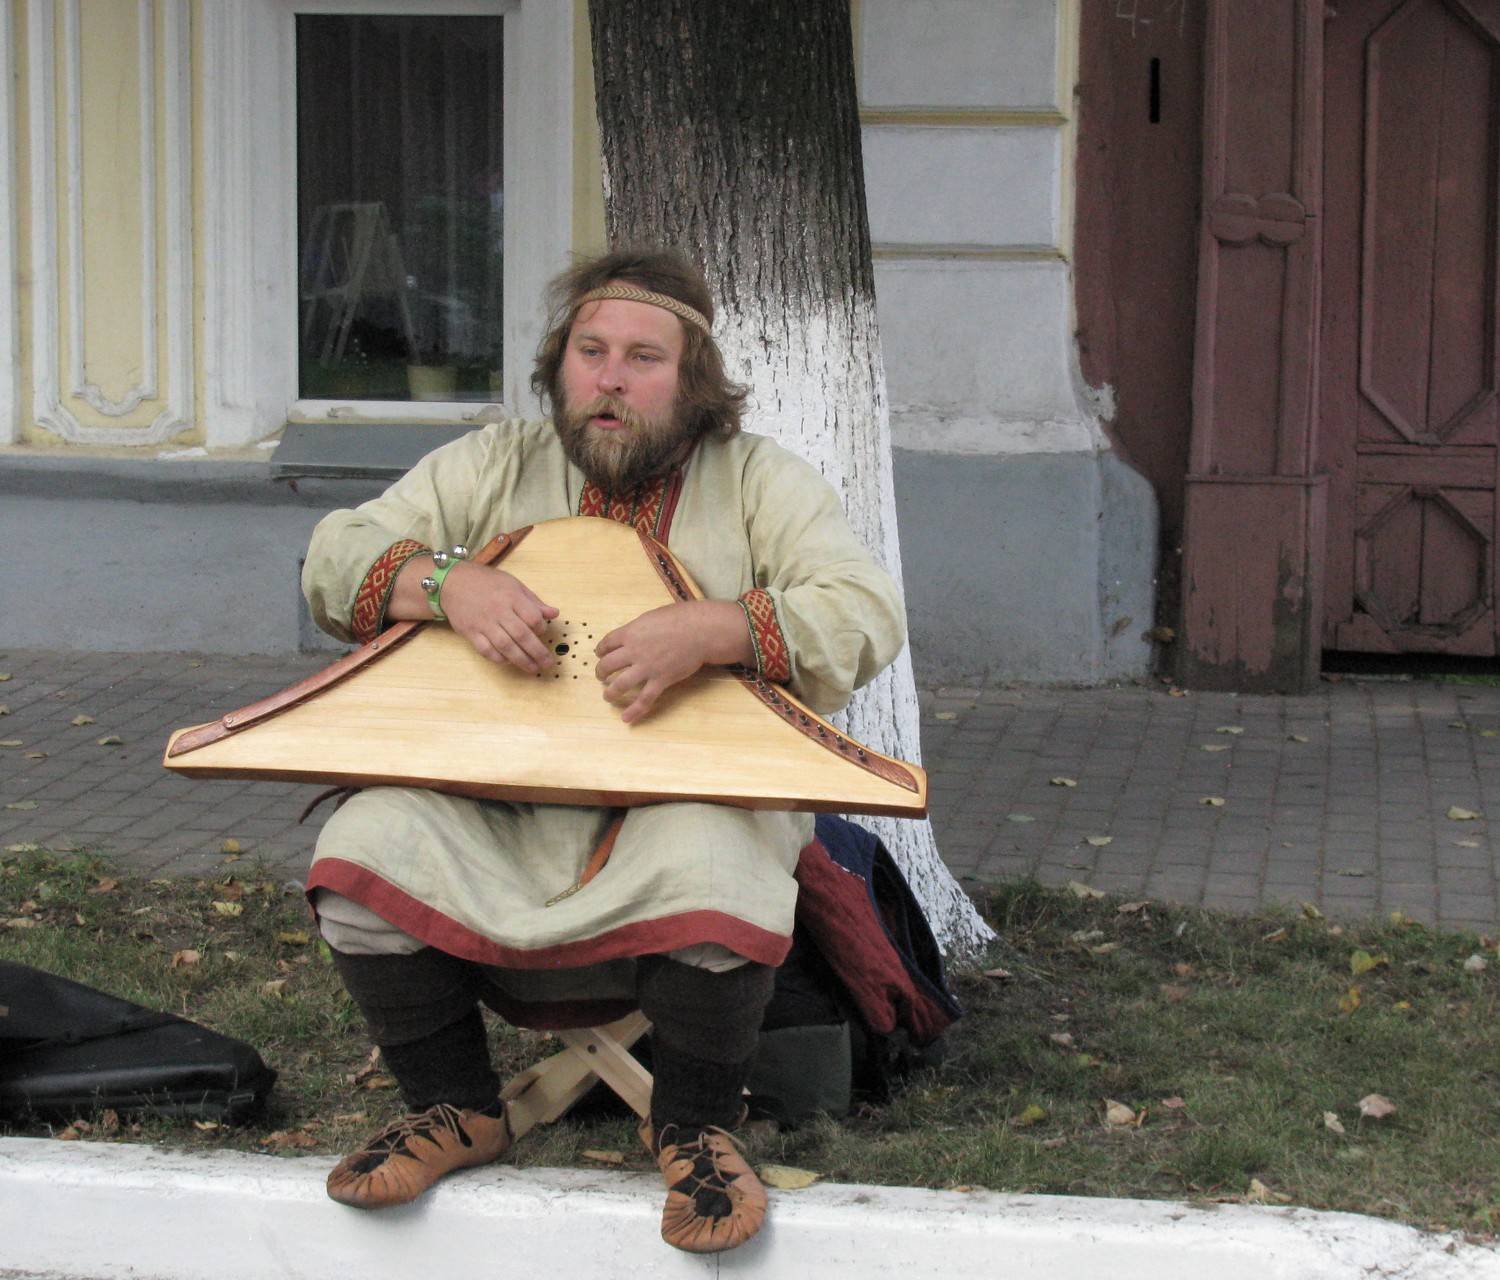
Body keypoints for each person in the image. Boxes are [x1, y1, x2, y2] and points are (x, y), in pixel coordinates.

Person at [300, 247, 906, 1254]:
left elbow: (863, 610)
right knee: (364, 847)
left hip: (685, 804)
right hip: (497, 804)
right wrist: (450, 584)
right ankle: (455, 1105)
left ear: (693, 380)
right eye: (590, 352)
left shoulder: (758, 480)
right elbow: (333, 555)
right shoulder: (493, 465)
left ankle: (695, 1126)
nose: (610, 380)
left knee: (719, 869)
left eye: (642, 358)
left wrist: (716, 628)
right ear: (560, 365)